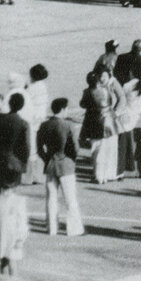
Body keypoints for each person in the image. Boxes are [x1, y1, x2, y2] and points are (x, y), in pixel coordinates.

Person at [37, 98, 84, 237]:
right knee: (70, 198)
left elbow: (39, 147)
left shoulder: (45, 125)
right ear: (63, 109)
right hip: (66, 163)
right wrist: (72, 159)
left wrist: (46, 158)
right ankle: (74, 229)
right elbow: (74, 147)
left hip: (51, 163)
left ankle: (51, 228)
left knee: (51, 197)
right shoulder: (67, 125)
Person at [0, 181, 28, 276]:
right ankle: (3, 280)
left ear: (13, 189)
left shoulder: (18, 201)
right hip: (0, 235)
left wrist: (20, 239)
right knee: (2, 259)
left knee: (12, 261)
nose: (5, 191)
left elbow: (22, 221)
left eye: (8, 189)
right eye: (3, 189)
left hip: (12, 236)